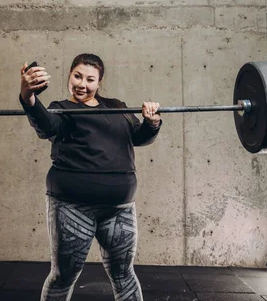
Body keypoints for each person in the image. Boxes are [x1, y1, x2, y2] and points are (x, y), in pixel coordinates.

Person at [19, 53, 162, 301]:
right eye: (77, 76)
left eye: (90, 79)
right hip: (72, 207)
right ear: (69, 75)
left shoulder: (117, 107)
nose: (82, 84)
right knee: (64, 276)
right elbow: (46, 126)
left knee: (124, 275)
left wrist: (152, 122)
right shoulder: (62, 109)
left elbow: (138, 137)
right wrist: (28, 96)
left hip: (119, 208)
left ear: (99, 82)